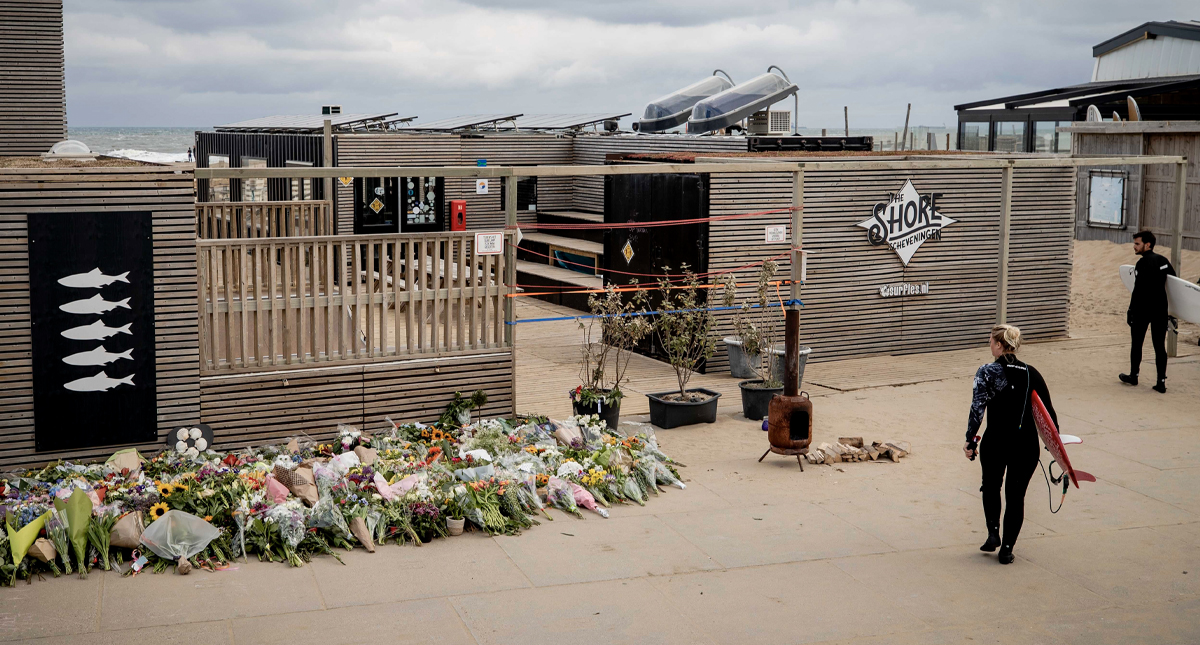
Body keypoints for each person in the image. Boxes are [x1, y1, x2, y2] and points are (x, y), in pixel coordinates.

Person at [964, 324, 1057, 565]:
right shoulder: (1031, 372)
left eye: (991, 341)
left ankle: (993, 532)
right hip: (1025, 446)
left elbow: (978, 409)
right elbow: (1048, 415)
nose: (989, 345)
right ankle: (1006, 549)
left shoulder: (987, 372)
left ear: (999, 345)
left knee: (991, 486)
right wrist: (1055, 449)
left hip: (996, 442)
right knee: (1016, 497)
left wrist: (971, 441)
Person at [1119, 230, 1175, 393]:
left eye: (1137, 244)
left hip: (1142, 309)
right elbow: (1174, 283)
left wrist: (1130, 310)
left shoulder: (1142, 263)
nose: (1134, 247)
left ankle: (1134, 376)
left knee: (1137, 343)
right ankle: (1161, 382)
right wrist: (1173, 311)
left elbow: (1138, 289)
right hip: (1160, 309)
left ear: (1147, 244)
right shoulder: (1163, 260)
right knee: (1159, 346)